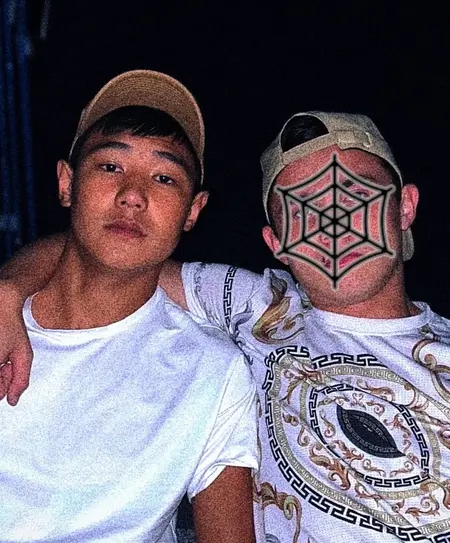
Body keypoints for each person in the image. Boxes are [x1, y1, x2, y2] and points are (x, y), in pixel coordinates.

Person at [1, 110, 449, 542]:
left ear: (404, 207)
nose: (335, 226)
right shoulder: (260, 308)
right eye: (304, 212)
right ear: (276, 242)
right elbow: (106, 248)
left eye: (354, 197)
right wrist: (8, 291)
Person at [0, 69, 259, 543]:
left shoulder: (212, 371)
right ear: (66, 183)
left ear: (193, 210)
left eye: (164, 177)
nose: (133, 196)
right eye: (110, 167)